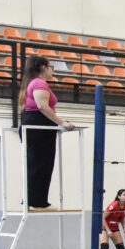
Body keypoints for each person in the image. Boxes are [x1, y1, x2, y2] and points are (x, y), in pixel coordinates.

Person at [18, 55, 75, 209]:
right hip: (38, 126)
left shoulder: (33, 82)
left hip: (35, 124)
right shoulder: (39, 83)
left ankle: (35, 199)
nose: (52, 71)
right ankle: (37, 201)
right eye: (51, 67)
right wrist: (62, 122)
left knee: (38, 163)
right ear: (43, 67)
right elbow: (42, 106)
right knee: (41, 164)